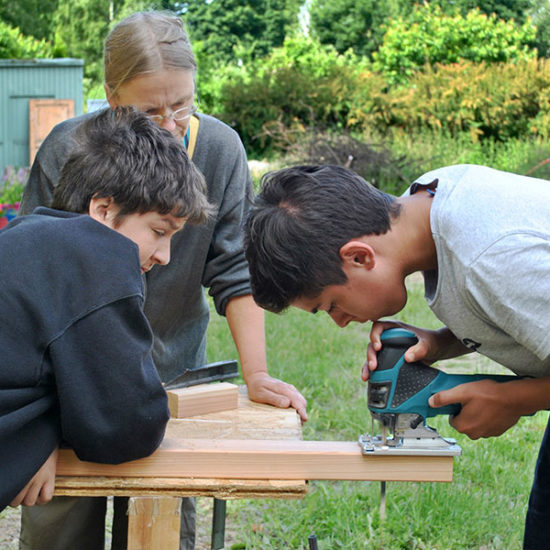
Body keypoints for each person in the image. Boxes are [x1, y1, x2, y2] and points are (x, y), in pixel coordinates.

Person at [19, 10, 307, 550]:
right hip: (65, 380)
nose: (171, 123)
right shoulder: (67, 148)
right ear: (110, 94)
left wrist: (259, 374)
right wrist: (34, 430)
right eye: (150, 111)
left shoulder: (219, 150)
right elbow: (32, 284)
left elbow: (235, 272)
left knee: (163, 522)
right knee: (59, 525)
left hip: (168, 379)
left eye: (183, 105)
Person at [243, 163, 550, 548]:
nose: (340, 322)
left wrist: (513, 398)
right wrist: (440, 342)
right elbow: (514, 306)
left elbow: (500, 277)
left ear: (359, 257)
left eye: (331, 305)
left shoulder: (489, 257)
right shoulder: (427, 206)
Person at [1, 105, 210, 513]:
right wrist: (47, 430)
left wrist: (38, 431)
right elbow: (130, 425)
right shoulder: (94, 255)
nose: (165, 255)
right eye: (158, 231)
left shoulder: (28, 238)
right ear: (102, 210)